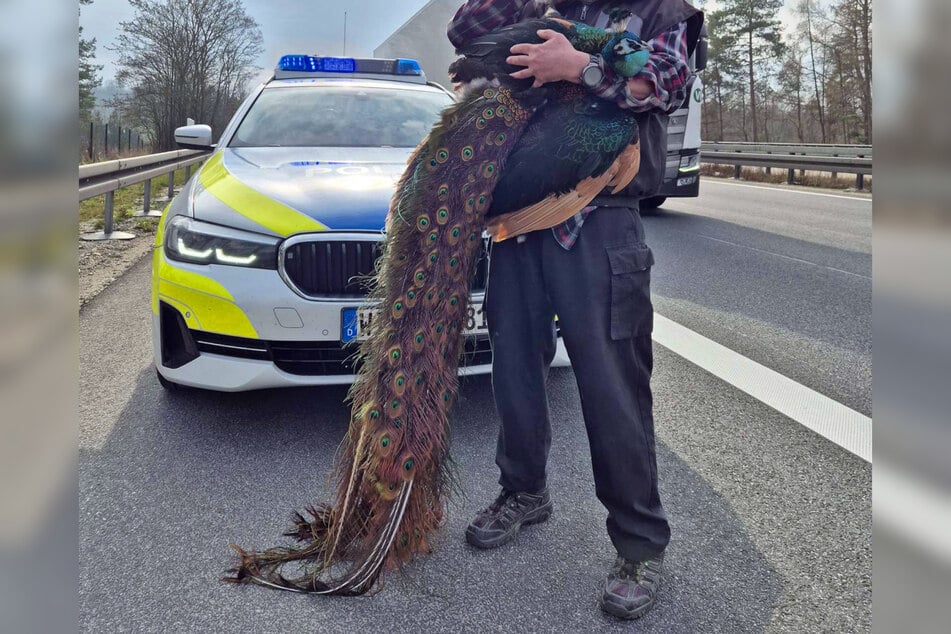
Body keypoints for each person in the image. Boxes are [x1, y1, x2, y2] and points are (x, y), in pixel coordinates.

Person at [447, 0, 703, 620]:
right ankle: (523, 490)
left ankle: (639, 544)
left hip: (601, 225)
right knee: (513, 370)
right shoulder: (552, 5)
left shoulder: (667, 12)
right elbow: (465, 29)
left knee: (613, 386)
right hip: (522, 223)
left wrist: (578, 67)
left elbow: (661, 82)